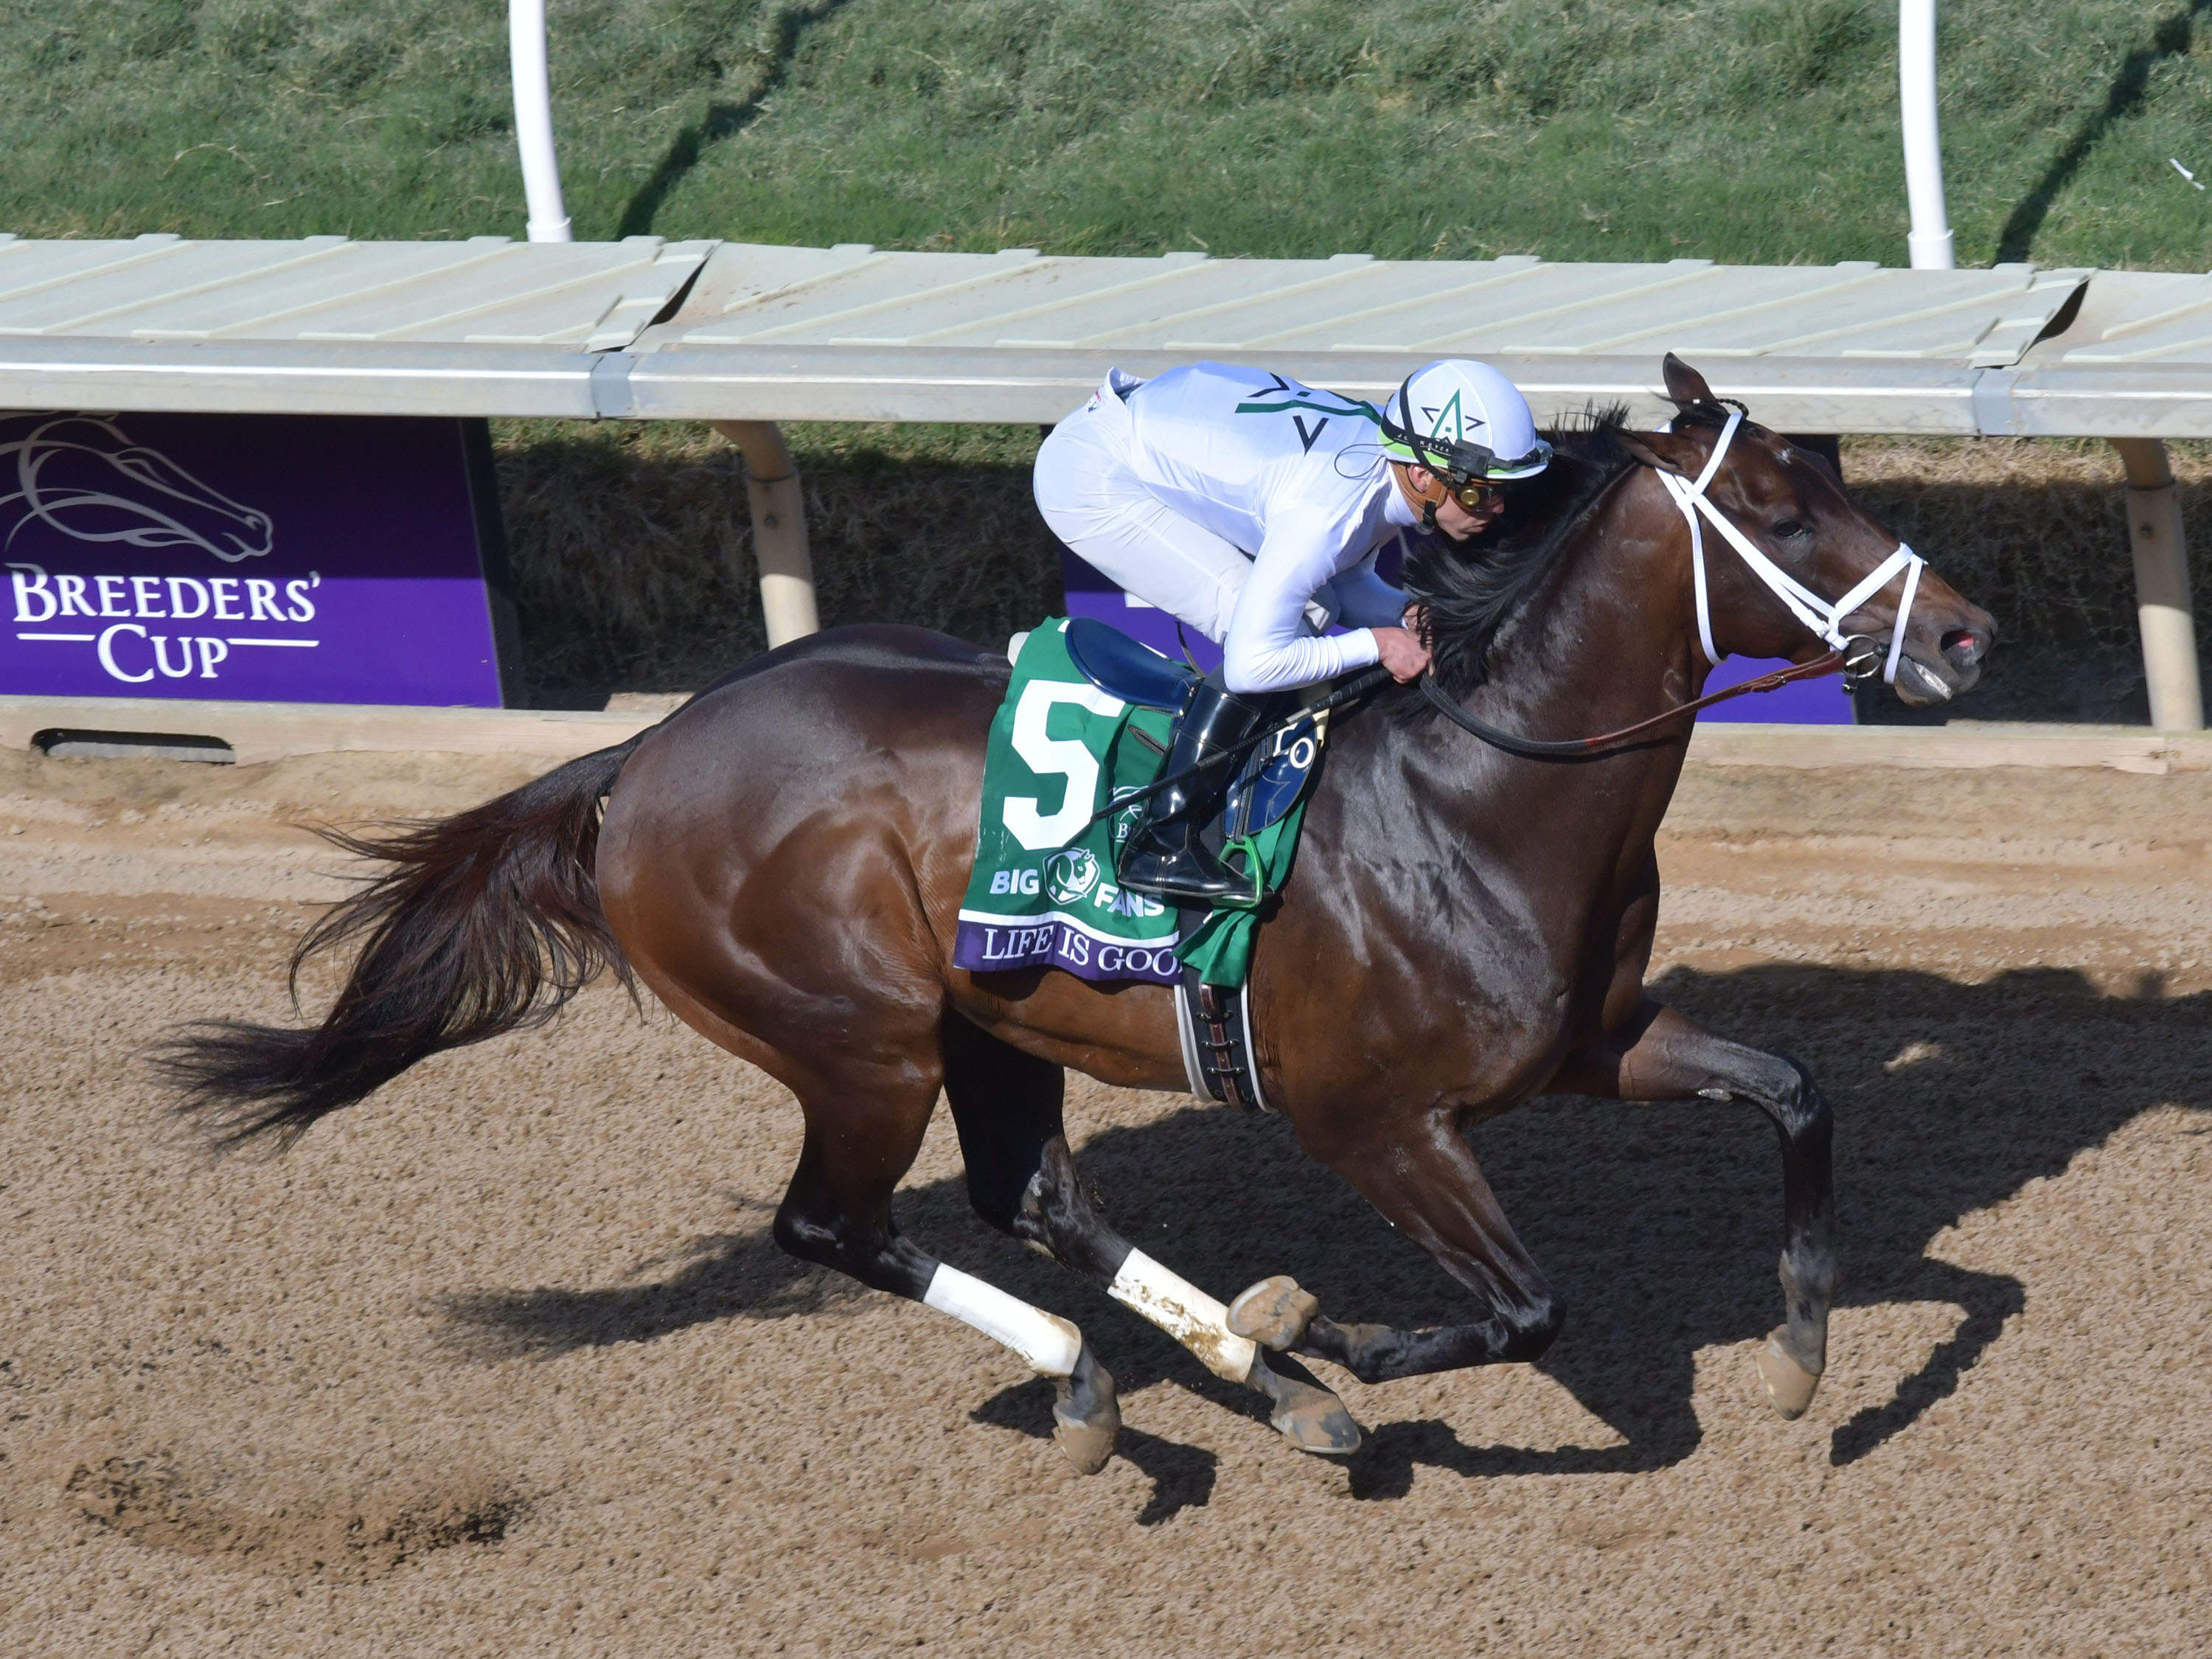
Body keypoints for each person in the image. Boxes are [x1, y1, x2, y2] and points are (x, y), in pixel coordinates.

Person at [1032, 358, 1551, 904]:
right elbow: (1252, 663)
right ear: (1423, 475)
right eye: (1479, 491)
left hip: (1140, 430)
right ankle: (1158, 843)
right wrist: (1377, 644)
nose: (1495, 507)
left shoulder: (1382, 462)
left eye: (1504, 491)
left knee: (1316, 610)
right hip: (1091, 476)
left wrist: (1402, 613)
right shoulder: (1328, 507)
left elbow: (1344, 582)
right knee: (1274, 630)